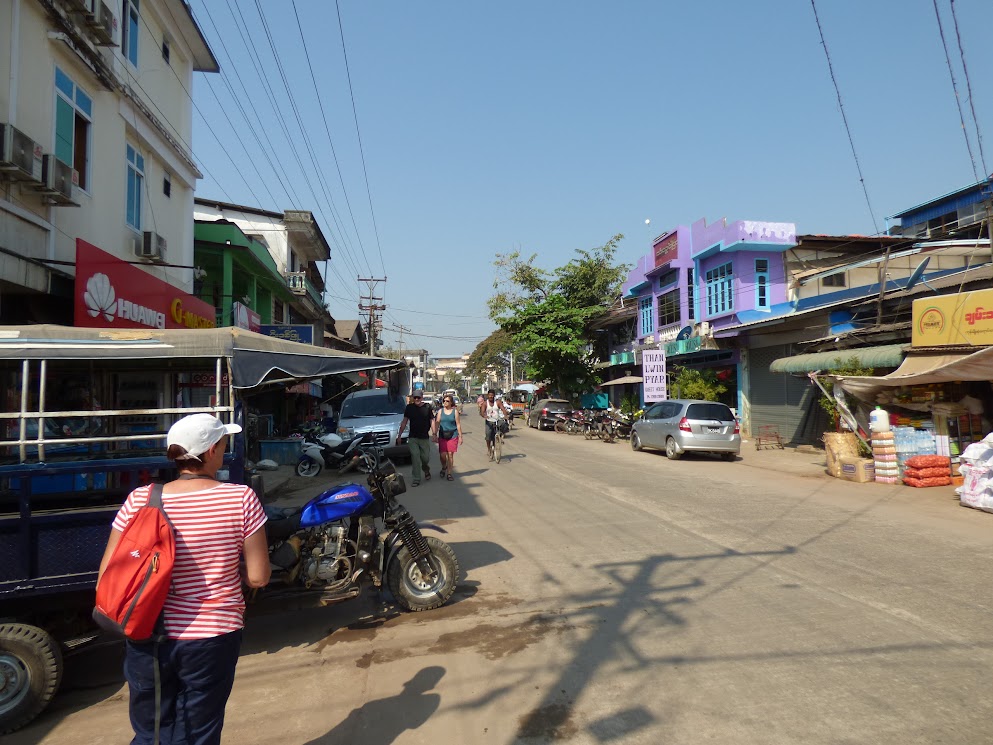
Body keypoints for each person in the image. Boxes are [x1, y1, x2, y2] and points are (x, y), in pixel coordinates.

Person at [97, 414, 271, 745]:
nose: (224, 450)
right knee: (199, 730)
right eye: (222, 444)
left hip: (146, 630)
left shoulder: (140, 499)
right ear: (210, 452)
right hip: (213, 635)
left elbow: (108, 574)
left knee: (153, 732)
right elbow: (258, 577)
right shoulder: (240, 499)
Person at [397, 391, 434, 486]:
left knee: (425, 458)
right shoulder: (409, 408)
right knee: (415, 457)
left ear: (422, 397)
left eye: (418, 397)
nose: (416, 399)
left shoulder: (427, 407)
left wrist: (434, 433)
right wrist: (399, 435)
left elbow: (431, 421)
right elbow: (404, 422)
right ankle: (416, 478)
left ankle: (426, 469)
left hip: (424, 437)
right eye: (415, 398)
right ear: (413, 398)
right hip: (413, 437)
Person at [432, 394, 463, 480]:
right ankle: (443, 467)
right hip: (442, 435)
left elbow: (458, 424)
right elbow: (437, 423)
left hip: (453, 435)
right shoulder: (440, 411)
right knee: (442, 455)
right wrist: (434, 434)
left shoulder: (455, 412)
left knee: (450, 455)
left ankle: (449, 473)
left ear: (451, 402)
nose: (445, 402)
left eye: (447, 401)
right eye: (444, 401)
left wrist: (460, 436)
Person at [479, 390, 512, 461]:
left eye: (492, 395)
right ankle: (489, 449)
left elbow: (503, 409)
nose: (491, 396)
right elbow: (482, 412)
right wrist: (484, 416)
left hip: (497, 420)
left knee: (503, 424)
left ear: (494, 395)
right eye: (489, 395)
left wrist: (505, 415)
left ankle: (500, 437)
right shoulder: (485, 403)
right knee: (488, 435)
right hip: (489, 421)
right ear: (488, 395)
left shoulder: (498, 402)